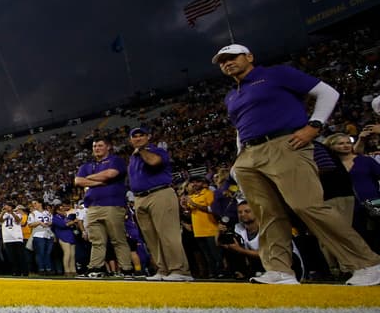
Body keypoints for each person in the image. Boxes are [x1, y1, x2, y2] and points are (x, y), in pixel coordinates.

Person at [213, 43, 380, 285]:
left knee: (308, 206)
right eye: (222, 61)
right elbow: (240, 127)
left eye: (232, 57)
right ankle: (279, 270)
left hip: (286, 143)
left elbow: (328, 93)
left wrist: (315, 125)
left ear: (249, 56)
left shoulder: (276, 74)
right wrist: (240, 157)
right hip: (250, 152)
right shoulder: (232, 95)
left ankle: (367, 263)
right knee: (267, 213)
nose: (227, 63)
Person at [127, 125, 191, 281]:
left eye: (141, 135)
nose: (138, 138)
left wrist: (141, 150)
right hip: (140, 198)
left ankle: (179, 270)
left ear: (148, 137)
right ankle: (163, 269)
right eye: (135, 136)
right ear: (130, 140)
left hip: (159, 193)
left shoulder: (157, 151)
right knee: (151, 237)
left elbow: (154, 162)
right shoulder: (133, 158)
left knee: (168, 234)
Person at [74, 136, 134, 277]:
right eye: (95, 146)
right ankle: (95, 268)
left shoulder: (115, 160)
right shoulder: (87, 165)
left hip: (113, 205)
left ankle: (126, 269)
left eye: (100, 145)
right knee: (96, 241)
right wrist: (99, 181)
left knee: (118, 239)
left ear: (108, 147)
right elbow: (77, 181)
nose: (97, 148)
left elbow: (110, 174)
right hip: (92, 207)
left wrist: (89, 178)